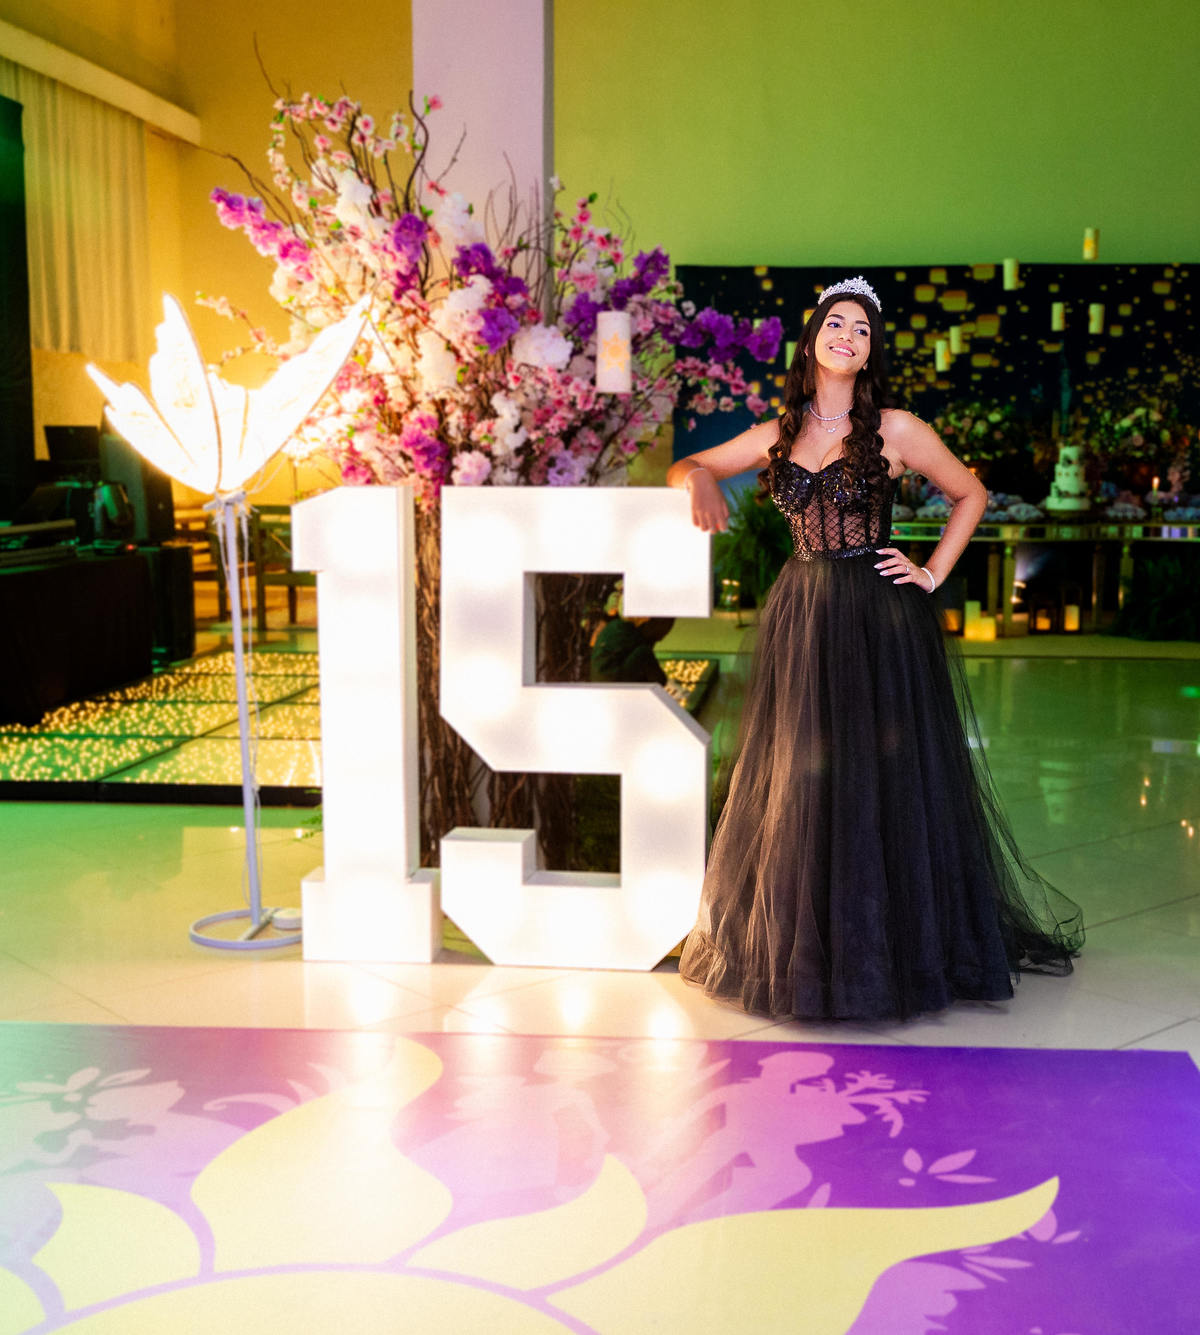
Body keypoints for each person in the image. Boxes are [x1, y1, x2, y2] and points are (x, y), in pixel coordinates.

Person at [667, 276, 1083, 1022]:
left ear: (870, 352)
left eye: (862, 330)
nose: (848, 336)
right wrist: (696, 477)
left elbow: (971, 494)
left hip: (878, 615)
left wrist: (931, 572)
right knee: (803, 779)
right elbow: (687, 466)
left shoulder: (896, 428)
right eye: (837, 323)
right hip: (803, 615)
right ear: (812, 340)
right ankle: (812, 953)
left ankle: (892, 954)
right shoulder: (776, 431)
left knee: (880, 780)